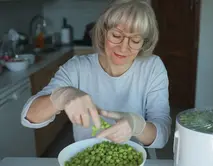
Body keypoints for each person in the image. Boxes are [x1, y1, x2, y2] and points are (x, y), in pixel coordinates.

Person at [21, 0, 171, 149]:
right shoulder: (77, 68)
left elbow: (162, 135)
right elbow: (29, 116)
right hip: (87, 156)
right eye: (117, 36)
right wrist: (62, 96)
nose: (124, 47)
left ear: (144, 43)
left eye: (135, 40)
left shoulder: (152, 67)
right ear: (103, 32)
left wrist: (137, 125)